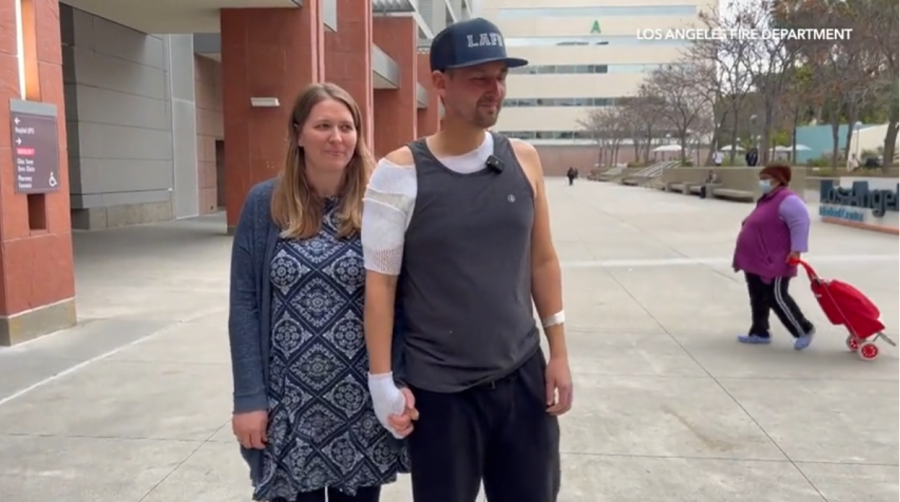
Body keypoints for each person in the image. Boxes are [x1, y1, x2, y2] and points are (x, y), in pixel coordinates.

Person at [360, 17, 572, 502]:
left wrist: (557, 353)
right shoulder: (397, 175)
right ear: (439, 83)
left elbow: (542, 260)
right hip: (441, 393)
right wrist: (381, 383)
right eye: (479, 78)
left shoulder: (524, 159)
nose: (494, 89)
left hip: (522, 376)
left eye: (501, 77)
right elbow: (380, 286)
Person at [227, 82, 408, 502]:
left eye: (347, 126)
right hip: (289, 407)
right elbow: (244, 306)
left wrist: (398, 378)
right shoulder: (264, 205)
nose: (337, 137)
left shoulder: (379, 204)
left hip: (359, 406)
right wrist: (249, 398)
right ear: (298, 134)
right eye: (323, 125)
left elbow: (402, 301)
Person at [732, 164, 816, 349]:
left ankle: (803, 329)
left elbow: (800, 223)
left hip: (775, 259)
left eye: (766, 178)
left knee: (776, 296)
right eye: (761, 178)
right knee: (758, 296)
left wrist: (797, 250)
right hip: (755, 259)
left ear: (779, 180)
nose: (763, 182)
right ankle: (759, 331)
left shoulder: (788, 200)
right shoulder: (768, 199)